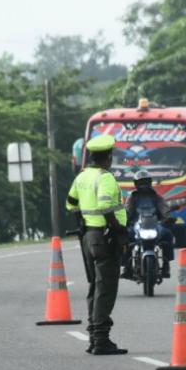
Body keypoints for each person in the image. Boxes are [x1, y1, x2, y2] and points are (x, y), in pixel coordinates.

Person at [66, 135, 129, 356]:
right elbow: (104, 206)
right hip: (105, 237)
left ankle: (94, 337)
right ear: (108, 156)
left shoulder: (82, 177)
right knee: (106, 288)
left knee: (95, 286)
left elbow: (70, 203)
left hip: (88, 237)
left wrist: (83, 220)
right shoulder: (105, 178)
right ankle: (101, 339)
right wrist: (118, 229)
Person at [123, 170, 176, 279]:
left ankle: (166, 264)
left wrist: (168, 218)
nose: (143, 185)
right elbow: (127, 210)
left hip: (155, 225)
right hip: (136, 225)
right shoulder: (132, 197)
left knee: (168, 235)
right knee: (124, 237)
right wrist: (125, 220)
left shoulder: (156, 196)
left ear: (150, 182)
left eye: (145, 182)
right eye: (140, 182)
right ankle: (126, 266)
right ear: (136, 184)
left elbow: (164, 208)